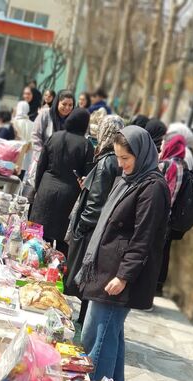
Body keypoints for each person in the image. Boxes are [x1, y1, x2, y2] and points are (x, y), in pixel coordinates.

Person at [76, 126, 170, 381]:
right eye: (118, 158)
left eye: (125, 159)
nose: (121, 164)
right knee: (109, 334)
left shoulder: (153, 187)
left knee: (97, 335)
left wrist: (123, 276)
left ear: (141, 155)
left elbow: (145, 237)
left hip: (117, 274)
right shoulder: (129, 179)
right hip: (106, 268)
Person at [65, 115, 125, 324]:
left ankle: (82, 322)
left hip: (92, 228)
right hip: (103, 226)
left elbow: (96, 202)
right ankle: (84, 319)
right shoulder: (117, 159)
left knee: (84, 278)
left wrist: (80, 227)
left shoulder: (106, 161)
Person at [29, 108, 94, 256]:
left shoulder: (54, 137)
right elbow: (87, 176)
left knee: (37, 237)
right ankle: (55, 273)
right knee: (61, 242)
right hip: (69, 196)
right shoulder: (86, 145)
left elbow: (41, 166)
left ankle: (31, 270)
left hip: (46, 188)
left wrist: (38, 188)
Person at [24, 90, 75, 204]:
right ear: (57, 102)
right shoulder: (46, 114)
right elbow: (35, 135)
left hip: (57, 166)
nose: (67, 108)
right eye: (64, 104)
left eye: (70, 105)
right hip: (40, 160)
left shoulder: (72, 120)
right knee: (30, 194)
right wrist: (41, 154)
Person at [156, 134, 187, 295]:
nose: (162, 146)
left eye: (163, 143)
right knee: (161, 254)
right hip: (169, 218)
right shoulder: (183, 165)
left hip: (157, 217)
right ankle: (155, 289)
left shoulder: (166, 165)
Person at [13, 101, 33, 178]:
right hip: (25, 158)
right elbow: (32, 144)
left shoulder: (15, 122)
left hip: (13, 156)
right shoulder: (32, 124)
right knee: (18, 181)